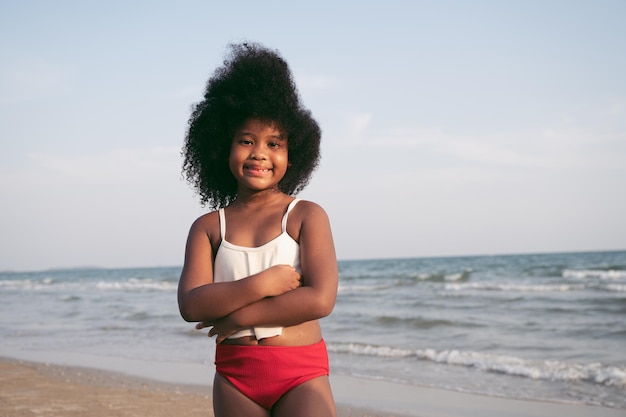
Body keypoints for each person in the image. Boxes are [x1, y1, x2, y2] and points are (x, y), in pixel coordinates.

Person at [177, 42, 338, 417]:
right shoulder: (208, 228)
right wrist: (261, 285)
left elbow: (320, 300)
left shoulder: (305, 216)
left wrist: (239, 316)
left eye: (274, 144)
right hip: (235, 377)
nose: (259, 153)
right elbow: (191, 304)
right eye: (246, 141)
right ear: (223, 147)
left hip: (301, 373)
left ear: (292, 153)